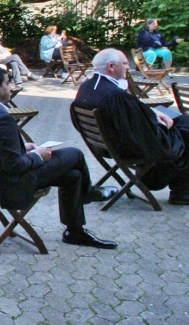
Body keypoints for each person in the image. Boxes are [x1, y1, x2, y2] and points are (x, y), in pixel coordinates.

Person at [0, 66, 117, 249]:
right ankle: (89, 193)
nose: (11, 88)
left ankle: (74, 231)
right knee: (75, 154)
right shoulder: (2, 118)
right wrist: (37, 155)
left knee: (73, 176)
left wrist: (20, 147)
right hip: (10, 183)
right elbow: (14, 166)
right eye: (8, 83)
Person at [74, 48, 189, 206]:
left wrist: (152, 113)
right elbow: (139, 131)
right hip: (127, 147)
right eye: (125, 63)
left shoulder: (88, 86)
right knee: (184, 131)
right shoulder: (115, 95)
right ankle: (180, 192)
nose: (128, 67)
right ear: (111, 66)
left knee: (179, 121)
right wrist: (156, 123)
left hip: (103, 144)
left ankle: (173, 187)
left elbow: (130, 115)